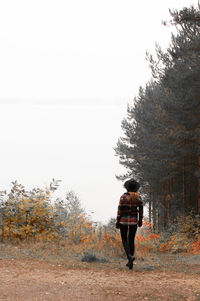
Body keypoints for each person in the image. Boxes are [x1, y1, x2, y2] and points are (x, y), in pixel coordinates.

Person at [116, 179, 143, 269]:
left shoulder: (123, 197)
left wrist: (117, 221)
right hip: (134, 221)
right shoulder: (138, 197)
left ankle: (129, 257)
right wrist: (140, 220)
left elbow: (120, 210)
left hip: (123, 221)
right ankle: (130, 261)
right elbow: (141, 210)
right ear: (136, 188)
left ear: (127, 187)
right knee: (131, 239)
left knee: (124, 240)